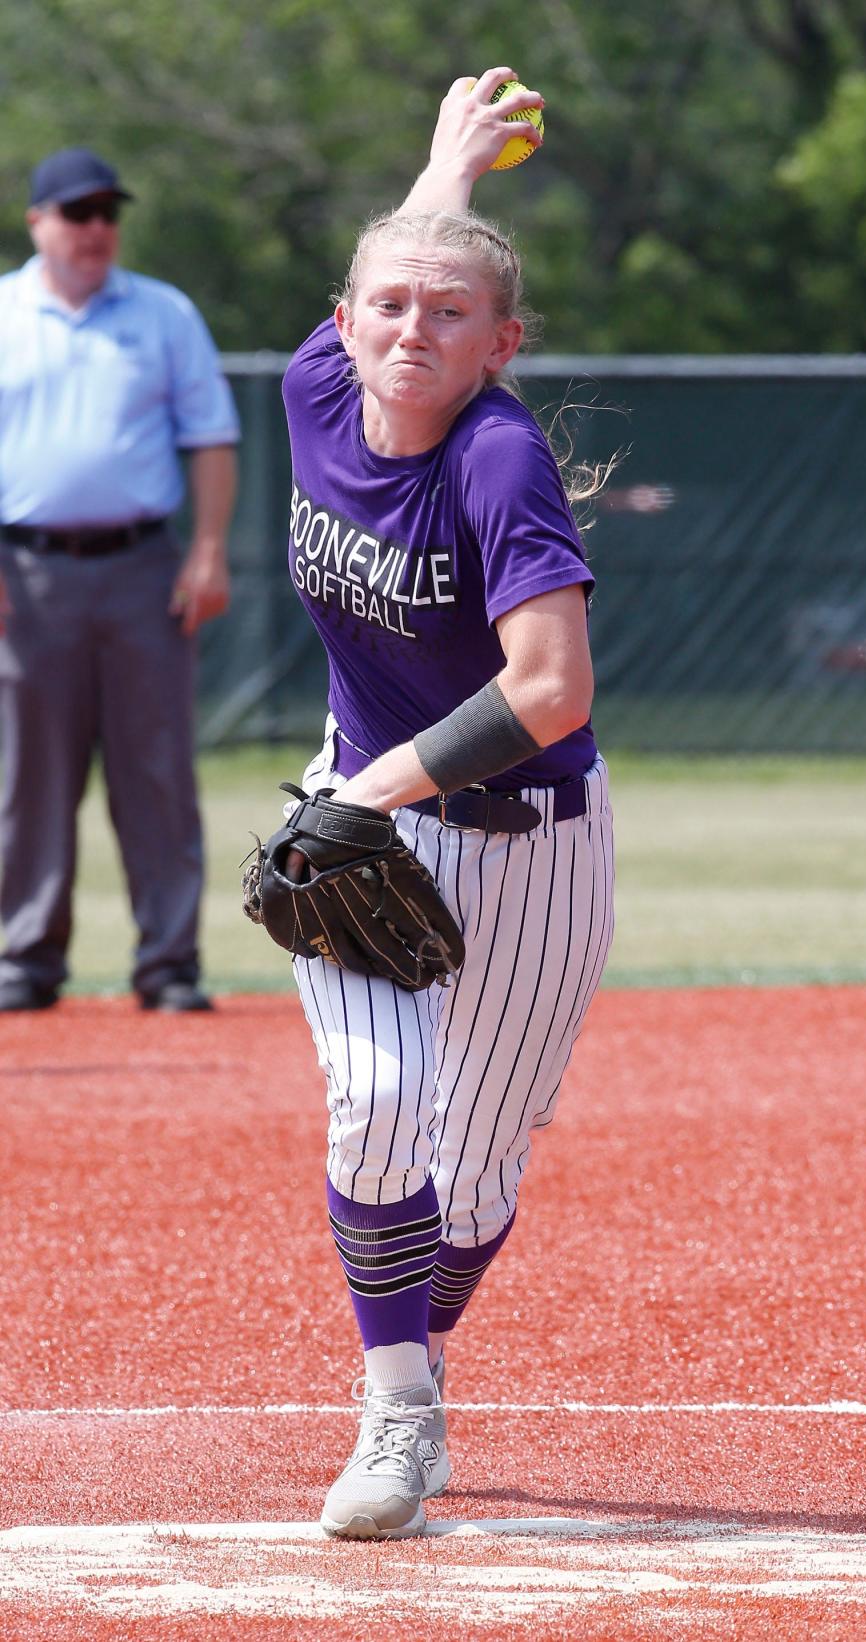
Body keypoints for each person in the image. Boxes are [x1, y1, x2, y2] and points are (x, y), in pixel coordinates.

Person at [280, 68, 615, 1539]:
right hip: (364, 813)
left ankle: (416, 1318)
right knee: (379, 1100)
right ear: (344, 318)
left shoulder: (498, 459)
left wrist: (375, 788)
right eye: (388, 306)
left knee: (469, 1184)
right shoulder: (311, 385)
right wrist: (446, 169)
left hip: (529, 845)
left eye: (451, 313)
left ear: (503, 346)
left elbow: (551, 688)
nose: (412, 328)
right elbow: (409, 252)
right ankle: (399, 1411)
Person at [0, 146, 240, 1013]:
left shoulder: (163, 314)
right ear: (38, 222)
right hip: (24, 574)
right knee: (29, 773)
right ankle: (26, 958)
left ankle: (169, 961)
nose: (96, 228)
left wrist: (207, 550)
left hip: (143, 567)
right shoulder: (4, 313)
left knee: (157, 769)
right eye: (77, 212)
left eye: (107, 211)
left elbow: (211, 436)